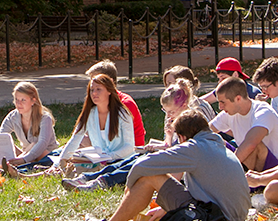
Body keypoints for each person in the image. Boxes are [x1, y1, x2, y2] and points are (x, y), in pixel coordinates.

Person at [77, 110, 251, 221]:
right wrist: (166, 207)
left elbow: (142, 164)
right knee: (156, 213)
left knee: (149, 177)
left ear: (182, 138)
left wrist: (129, 189)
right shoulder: (218, 146)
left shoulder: (194, 147)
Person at [63, 78, 204, 192]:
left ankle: (102, 182)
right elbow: (170, 146)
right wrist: (161, 143)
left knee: (138, 163)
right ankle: (89, 178)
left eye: (171, 112)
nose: (168, 116)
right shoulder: (174, 119)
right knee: (133, 158)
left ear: (184, 105)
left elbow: (182, 156)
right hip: (167, 159)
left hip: (178, 168)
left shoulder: (189, 123)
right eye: (165, 111)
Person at [209, 77, 278, 172]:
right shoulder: (230, 112)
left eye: (223, 102)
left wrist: (227, 170)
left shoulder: (263, 111)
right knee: (214, 139)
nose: (220, 107)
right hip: (251, 164)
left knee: (254, 145)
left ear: (238, 98)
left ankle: (236, 183)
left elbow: (251, 143)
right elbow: (205, 131)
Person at [57, 74, 136, 170]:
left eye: (98, 89)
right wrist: (59, 163)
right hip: (98, 161)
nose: (94, 93)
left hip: (121, 162)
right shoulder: (89, 113)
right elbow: (75, 140)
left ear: (109, 91)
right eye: (92, 90)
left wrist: (109, 156)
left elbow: (129, 147)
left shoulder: (122, 114)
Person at [0, 82, 58, 172]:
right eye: (16, 100)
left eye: (23, 100)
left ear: (33, 100)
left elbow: (42, 143)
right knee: (4, 143)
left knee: (34, 145)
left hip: (46, 156)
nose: (19, 103)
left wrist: (24, 159)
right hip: (26, 153)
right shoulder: (13, 116)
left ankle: (10, 167)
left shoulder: (45, 118)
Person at [85, 60, 146, 146]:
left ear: (110, 82)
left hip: (130, 151)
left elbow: (116, 140)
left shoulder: (125, 104)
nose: (92, 84)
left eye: (97, 81)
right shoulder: (97, 102)